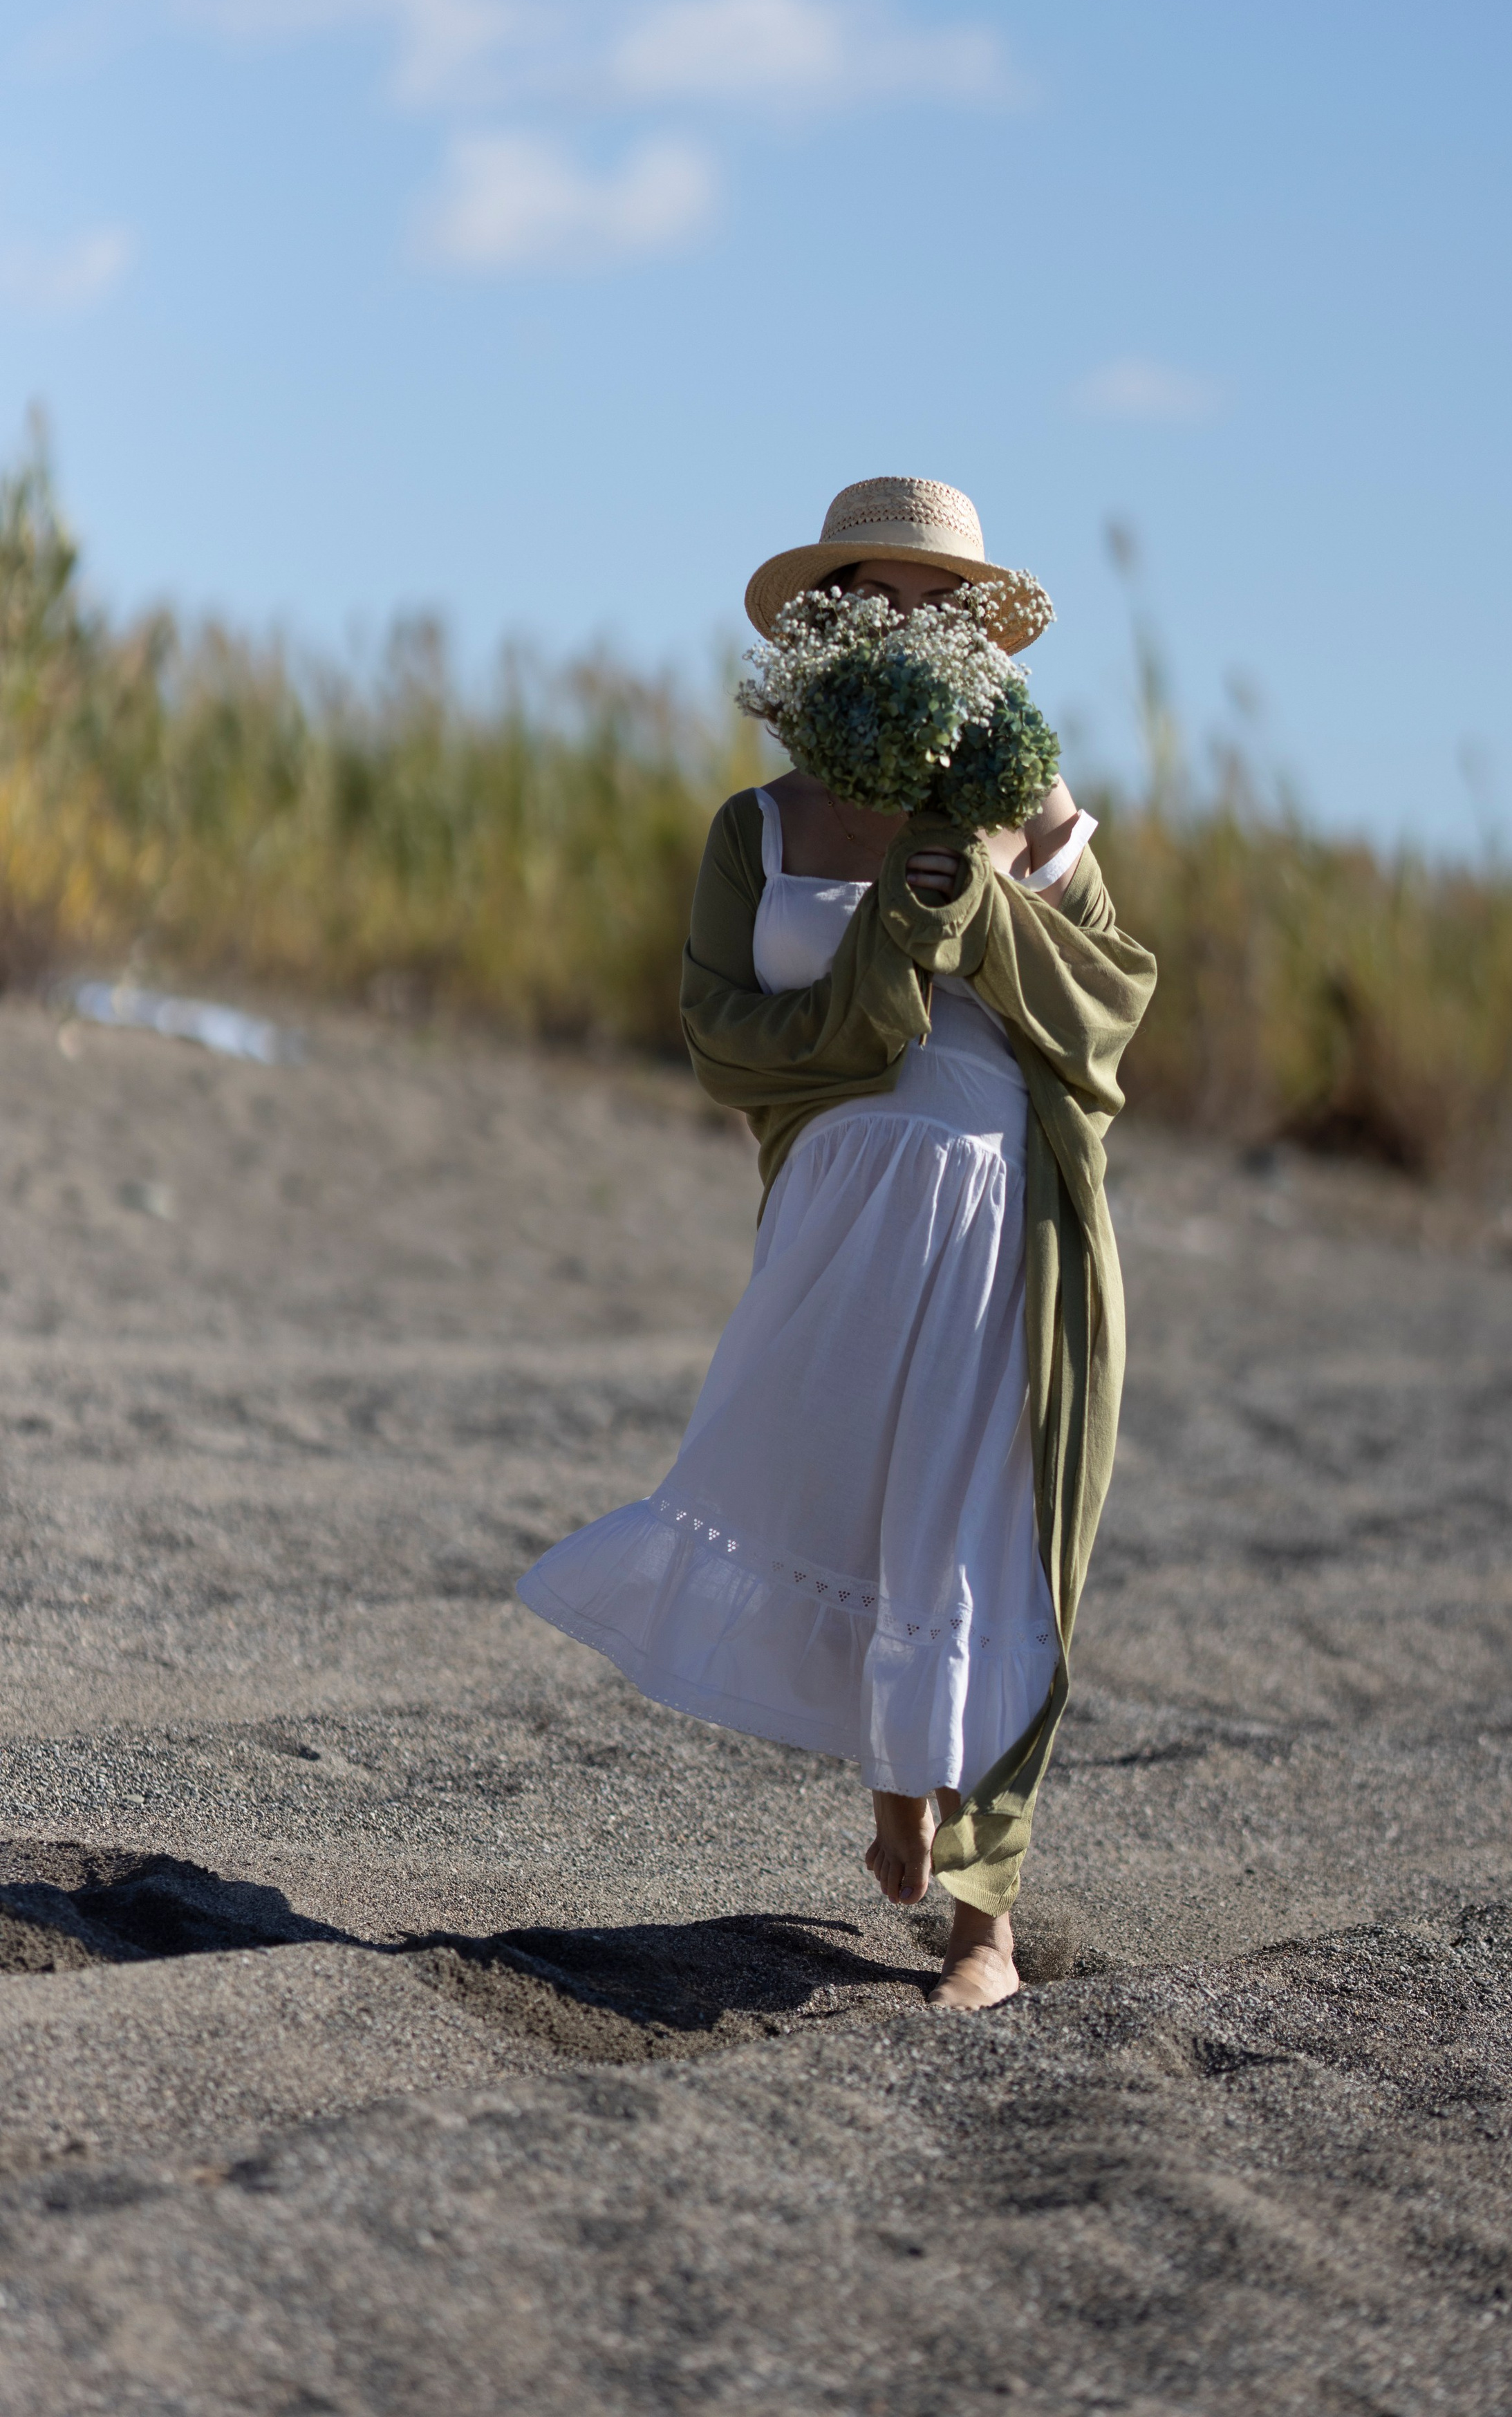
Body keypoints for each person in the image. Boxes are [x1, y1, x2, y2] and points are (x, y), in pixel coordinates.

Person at [519, 476, 1155, 2010]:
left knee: (984, 1530)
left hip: (1005, 1206)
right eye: (883, 597)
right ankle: (894, 1794)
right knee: (841, 1503)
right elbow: (725, 1037)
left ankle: (981, 1930)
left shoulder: (1032, 799)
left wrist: (984, 901)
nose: (914, 625)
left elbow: (1108, 1013)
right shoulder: (759, 823)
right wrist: (885, 946)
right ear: (828, 617)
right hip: (833, 1214)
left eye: (945, 605)